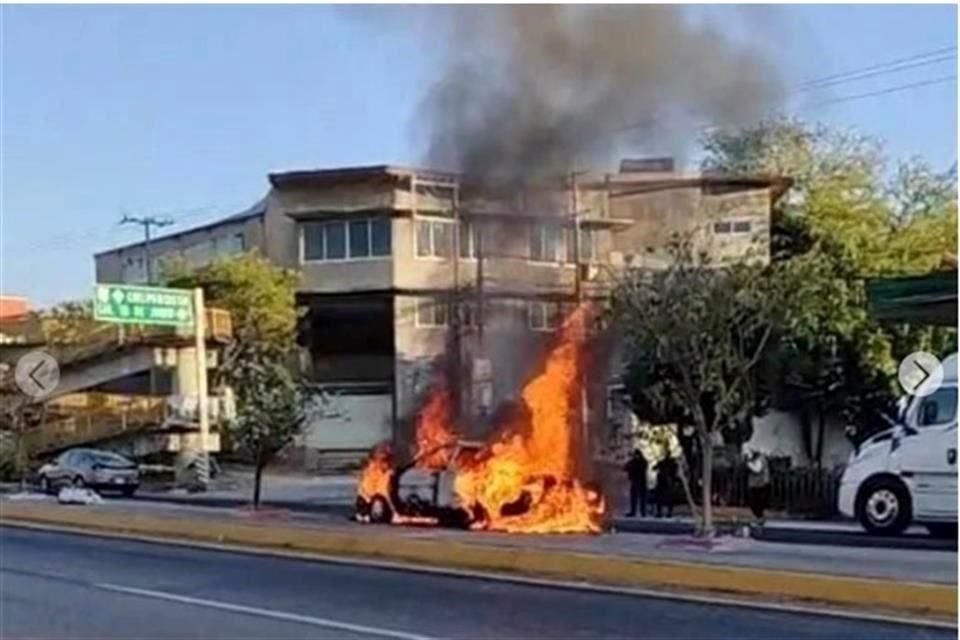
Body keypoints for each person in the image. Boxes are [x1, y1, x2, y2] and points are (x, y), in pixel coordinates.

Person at [746, 447, 771, 525]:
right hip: (754, 485)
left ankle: (759, 518)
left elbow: (757, 469)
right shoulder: (755, 459)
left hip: (760, 485)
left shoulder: (760, 459)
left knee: (757, 503)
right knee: (754, 503)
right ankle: (758, 518)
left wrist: (749, 464)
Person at [623, 449, 648, 517]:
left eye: (637, 455)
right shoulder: (632, 462)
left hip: (641, 481)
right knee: (634, 497)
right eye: (635, 455)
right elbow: (625, 468)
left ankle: (643, 512)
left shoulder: (643, 461)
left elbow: (643, 468)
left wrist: (632, 468)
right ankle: (633, 511)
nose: (636, 456)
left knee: (642, 498)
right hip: (634, 481)